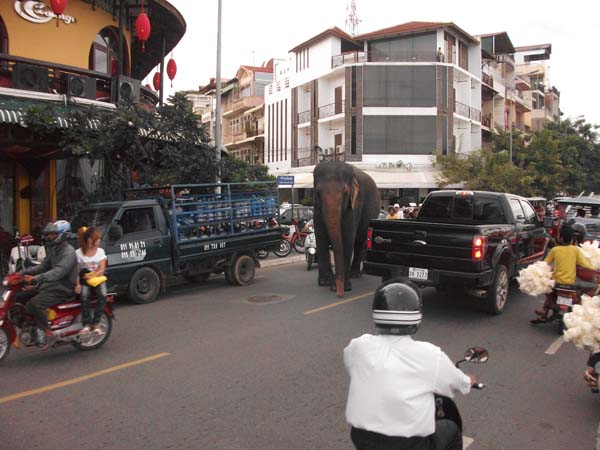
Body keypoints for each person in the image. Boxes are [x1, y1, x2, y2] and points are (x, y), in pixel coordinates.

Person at [344, 281, 475, 450]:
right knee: (451, 429)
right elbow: (458, 383)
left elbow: (351, 366)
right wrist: (469, 380)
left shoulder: (358, 346)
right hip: (407, 445)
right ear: (416, 316)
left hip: (361, 439)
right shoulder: (430, 355)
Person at [19, 220, 77, 346]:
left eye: (53, 234)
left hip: (64, 287)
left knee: (35, 304)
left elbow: (58, 272)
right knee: (20, 296)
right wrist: (23, 273)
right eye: (49, 234)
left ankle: (47, 332)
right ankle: (33, 325)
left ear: (63, 234)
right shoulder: (54, 249)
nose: (49, 237)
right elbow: (44, 266)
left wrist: (35, 279)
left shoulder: (68, 252)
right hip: (52, 284)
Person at [534, 224, 598, 320]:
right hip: (570, 283)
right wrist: (594, 269)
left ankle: (545, 310)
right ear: (572, 239)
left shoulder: (555, 250)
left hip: (557, 282)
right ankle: (581, 309)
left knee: (547, 290)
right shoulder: (575, 250)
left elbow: (545, 263)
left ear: (560, 238)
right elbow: (585, 264)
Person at [75, 227, 108, 334]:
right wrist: (78, 284)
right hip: (85, 280)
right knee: (84, 297)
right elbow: (77, 271)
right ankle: (86, 324)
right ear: (89, 240)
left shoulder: (101, 252)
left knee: (103, 295)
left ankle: (96, 323)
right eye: (97, 239)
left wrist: (92, 276)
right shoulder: (78, 253)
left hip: (97, 279)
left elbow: (102, 269)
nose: (99, 241)